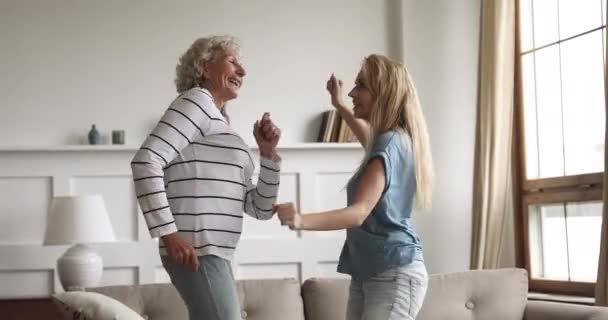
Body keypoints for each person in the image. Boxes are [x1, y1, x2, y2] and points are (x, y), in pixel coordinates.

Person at [131, 35, 282, 320]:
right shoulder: (196, 101)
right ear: (204, 67)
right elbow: (146, 161)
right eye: (232, 62)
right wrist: (169, 234)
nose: (243, 71)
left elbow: (259, 208)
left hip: (218, 251)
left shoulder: (220, 121)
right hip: (196, 248)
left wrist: (268, 153)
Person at [275, 54, 433, 320]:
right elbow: (365, 137)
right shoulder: (392, 141)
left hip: (392, 273)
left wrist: (301, 220)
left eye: (361, 85)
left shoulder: (390, 143)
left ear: (383, 94)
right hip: (372, 272)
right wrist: (338, 104)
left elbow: (359, 212)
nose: (351, 92)